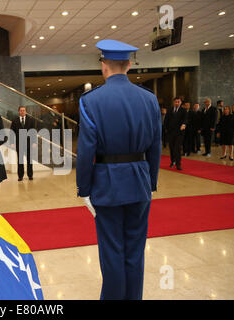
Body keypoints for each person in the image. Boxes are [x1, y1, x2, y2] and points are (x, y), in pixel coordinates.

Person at [76, 39, 161, 300]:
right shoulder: (149, 99)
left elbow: (86, 150)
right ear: (129, 65)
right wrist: (151, 182)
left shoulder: (92, 101)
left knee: (112, 251)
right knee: (135, 250)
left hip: (107, 185)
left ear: (104, 66)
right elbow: (156, 146)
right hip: (139, 182)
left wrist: (84, 189)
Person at [10, 106, 37, 181]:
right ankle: (20, 176)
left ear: (26, 111)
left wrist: (34, 142)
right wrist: (12, 142)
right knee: (20, 161)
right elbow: (12, 132)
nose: (22, 112)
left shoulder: (31, 120)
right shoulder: (15, 120)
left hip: (29, 143)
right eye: (21, 110)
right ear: (19, 111)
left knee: (29, 160)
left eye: (24, 110)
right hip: (19, 144)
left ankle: (30, 175)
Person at [165, 97, 187, 170]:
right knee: (171, 148)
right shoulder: (170, 110)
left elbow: (185, 119)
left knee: (177, 148)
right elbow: (166, 120)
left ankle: (178, 164)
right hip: (171, 132)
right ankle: (172, 161)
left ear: (181, 102)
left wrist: (184, 124)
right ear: (173, 102)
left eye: (178, 102)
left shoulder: (183, 110)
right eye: (176, 102)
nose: (177, 103)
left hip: (179, 133)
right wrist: (166, 129)